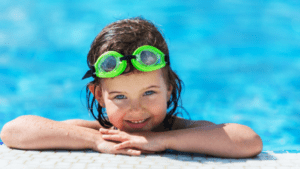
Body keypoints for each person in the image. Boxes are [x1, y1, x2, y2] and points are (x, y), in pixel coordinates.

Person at [1, 17, 262, 158]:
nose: (136, 109)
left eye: (149, 93)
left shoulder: (179, 130)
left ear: (169, 88)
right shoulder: (103, 132)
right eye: (120, 96)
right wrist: (95, 142)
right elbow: (13, 130)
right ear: (99, 96)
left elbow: (248, 140)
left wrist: (159, 141)